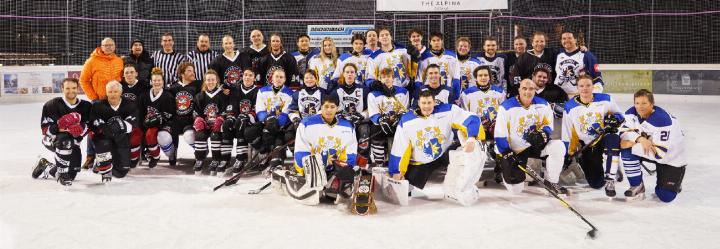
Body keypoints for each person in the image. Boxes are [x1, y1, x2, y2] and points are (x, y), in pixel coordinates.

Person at [387, 90, 485, 205]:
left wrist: (471, 138)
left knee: (464, 152)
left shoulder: (448, 111)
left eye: (429, 103)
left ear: (434, 102)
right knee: (407, 184)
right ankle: (409, 183)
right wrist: (397, 171)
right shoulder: (407, 121)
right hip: (421, 162)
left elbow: (472, 118)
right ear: (418, 103)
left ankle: (463, 188)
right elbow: (400, 148)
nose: (426, 106)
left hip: (445, 153)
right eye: (424, 103)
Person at [271, 95, 359, 205]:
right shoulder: (306, 124)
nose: (329, 110)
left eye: (332, 107)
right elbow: (300, 151)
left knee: (349, 175)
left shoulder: (347, 127)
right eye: (326, 106)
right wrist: (314, 166)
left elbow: (351, 153)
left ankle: (332, 187)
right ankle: (284, 175)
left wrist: (340, 165)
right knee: (315, 180)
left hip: (333, 168)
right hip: (313, 167)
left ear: (337, 108)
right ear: (320, 107)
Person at [494, 79, 567, 195]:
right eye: (524, 88)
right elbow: (499, 134)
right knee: (515, 190)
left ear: (535, 90)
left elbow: (548, 125)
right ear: (519, 90)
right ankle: (501, 165)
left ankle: (551, 181)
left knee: (558, 146)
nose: (528, 92)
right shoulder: (506, 107)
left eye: (531, 89)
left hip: (533, 144)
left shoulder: (543, 104)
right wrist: (506, 153)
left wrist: (543, 134)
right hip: (514, 149)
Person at [620, 89, 686, 202]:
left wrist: (630, 142)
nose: (640, 106)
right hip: (649, 149)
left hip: (670, 158)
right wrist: (639, 139)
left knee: (665, 196)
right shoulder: (631, 113)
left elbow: (659, 154)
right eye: (637, 103)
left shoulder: (662, 120)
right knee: (627, 152)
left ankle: (674, 184)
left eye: (644, 103)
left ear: (652, 104)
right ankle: (637, 186)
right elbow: (623, 132)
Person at [562, 75, 624, 196]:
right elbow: (567, 132)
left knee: (612, 138)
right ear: (577, 88)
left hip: (604, 138)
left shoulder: (606, 99)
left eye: (588, 85)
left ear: (593, 86)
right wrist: (568, 154)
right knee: (596, 183)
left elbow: (620, 116)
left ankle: (611, 173)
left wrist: (615, 120)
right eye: (581, 86)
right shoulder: (570, 106)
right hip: (588, 144)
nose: (585, 88)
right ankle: (607, 168)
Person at [32, 78, 92, 186]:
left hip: (73, 142)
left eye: (74, 88)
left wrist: (81, 127)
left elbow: (90, 126)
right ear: (62, 89)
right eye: (67, 88)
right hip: (52, 139)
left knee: (72, 175)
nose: (71, 91)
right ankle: (62, 175)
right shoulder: (51, 105)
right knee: (65, 141)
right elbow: (45, 129)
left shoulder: (86, 106)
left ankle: (45, 166)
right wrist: (60, 126)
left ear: (78, 89)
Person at [79, 37, 124, 169]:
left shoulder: (119, 61)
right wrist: (94, 98)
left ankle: (112, 154)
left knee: (114, 126)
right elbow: (83, 80)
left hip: (115, 100)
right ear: (101, 47)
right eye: (106, 45)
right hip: (99, 100)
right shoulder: (92, 61)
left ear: (114, 46)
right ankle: (90, 156)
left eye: (111, 45)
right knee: (94, 127)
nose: (109, 47)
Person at [88, 81, 140, 181]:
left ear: (121, 92)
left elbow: (134, 123)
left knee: (121, 173)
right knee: (103, 143)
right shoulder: (98, 105)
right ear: (106, 93)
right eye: (110, 92)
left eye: (115, 91)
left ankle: (109, 162)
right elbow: (93, 124)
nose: (113, 94)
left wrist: (121, 125)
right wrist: (103, 127)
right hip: (104, 139)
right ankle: (101, 162)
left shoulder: (130, 104)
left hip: (122, 140)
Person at [246, 69, 294, 169]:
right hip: (265, 122)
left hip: (280, 125)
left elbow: (286, 112)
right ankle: (264, 151)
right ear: (272, 78)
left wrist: (277, 122)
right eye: (276, 76)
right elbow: (259, 109)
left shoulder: (289, 93)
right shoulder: (262, 91)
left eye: (281, 77)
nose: (279, 79)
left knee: (276, 137)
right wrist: (267, 120)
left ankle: (275, 158)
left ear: (285, 79)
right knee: (249, 132)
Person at [192, 70, 233, 176]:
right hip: (205, 125)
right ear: (205, 81)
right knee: (200, 135)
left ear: (217, 81)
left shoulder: (222, 96)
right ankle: (199, 159)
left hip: (216, 126)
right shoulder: (199, 96)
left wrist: (220, 119)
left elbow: (226, 110)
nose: (210, 82)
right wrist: (198, 119)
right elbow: (196, 112)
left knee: (216, 136)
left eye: (213, 79)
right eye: (208, 80)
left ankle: (216, 159)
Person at [367, 68, 409, 167]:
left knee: (403, 132)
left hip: (397, 122)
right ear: (379, 79)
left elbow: (405, 111)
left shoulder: (403, 92)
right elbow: (373, 114)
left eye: (389, 77)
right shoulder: (372, 95)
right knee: (375, 130)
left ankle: (398, 163)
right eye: (384, 77)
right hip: (381, 124)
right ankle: (379, 162)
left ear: (393, 78)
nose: (387, 79)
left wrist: (398, 119)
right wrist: (381, 120)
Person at [332, 63, 370, 163]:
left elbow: (370, 108)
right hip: (343, 122)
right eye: (347, 72)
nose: (349, 74)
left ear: (355, 74)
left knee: (364, 132)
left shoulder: (363, 90)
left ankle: (361, 164)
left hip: (360, 121)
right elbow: (331, 108)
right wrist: (339, 115)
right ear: (343, 74)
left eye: (352, 72)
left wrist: (362, 116)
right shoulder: (337, 90)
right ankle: (342, 162)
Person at [138, 68, 177, 168]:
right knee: (145, 133)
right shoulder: (144, 96)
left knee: (162, 137)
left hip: (164, 125)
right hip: (149, 124)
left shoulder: (168, 96)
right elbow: (141, 113)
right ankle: (154, 156)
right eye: (154, 80)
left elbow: (171, 114)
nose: (157, 82)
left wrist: (158, 118)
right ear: (151, 82)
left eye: (159, 80)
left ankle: (171, 154)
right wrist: (144, 122)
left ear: (163, 82)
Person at [167, 62, 203, 166]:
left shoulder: (198, 85)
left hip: (191, 120)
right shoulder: (173, 88)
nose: (193, 73)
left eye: (193, 70)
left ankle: (200, 152)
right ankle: (173, 152)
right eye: (189, 71)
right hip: (177, 119)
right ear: (182, 74)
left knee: (189, 136)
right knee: (169, 132)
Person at [224, 69, 260, 174]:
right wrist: (231, 118)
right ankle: (224, 159)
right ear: (242, 76)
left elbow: (257, 109)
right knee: (227, 126)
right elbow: (232, 107)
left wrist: (247, 117)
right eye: (245, 75)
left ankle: (241, 158)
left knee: (242, 124)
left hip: (253, 121)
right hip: (238, 119)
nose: (247, 77)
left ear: (254, 78)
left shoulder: (258, 91)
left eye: (250, 75)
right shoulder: (235, 89)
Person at [554, 30, 603, 96]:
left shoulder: (587, 56)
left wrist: (595, 94)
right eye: (564, 38)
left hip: (578, 97)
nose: (566, 40)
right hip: (558, 96)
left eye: (569, 38)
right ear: (561, 41)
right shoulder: (557, 54)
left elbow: (597, 78)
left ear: (575, 40)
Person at [415, 32, 461, 98]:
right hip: (429, 93)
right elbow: (419, 79)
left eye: (438, 40)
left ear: (442, 41)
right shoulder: (424, 57)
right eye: (434, 40)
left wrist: (456, 95)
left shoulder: (452, 56)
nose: (436, 42)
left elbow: (456, 77)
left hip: (447, 93)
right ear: (430, 42)